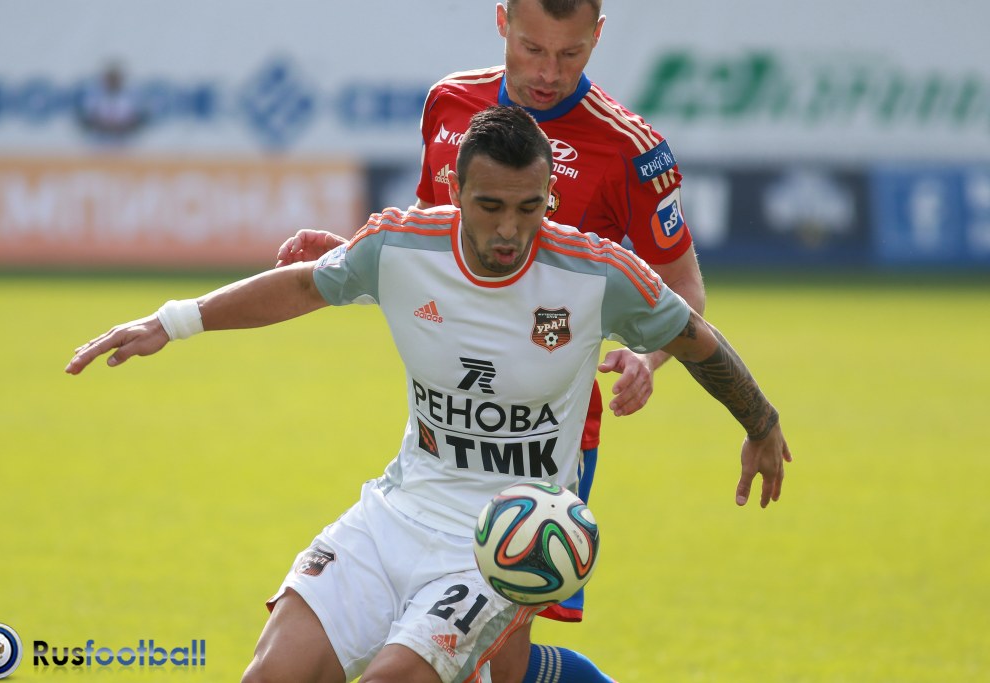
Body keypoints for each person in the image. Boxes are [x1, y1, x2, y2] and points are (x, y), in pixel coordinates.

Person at [66, 105, 790, 683]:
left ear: (550, 197)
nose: (510, 229)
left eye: (530, 207)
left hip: (501, 541)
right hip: (396, 511)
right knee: (272, 674)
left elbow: (695, 336)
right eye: (490, 205)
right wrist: (171, 321)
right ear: (454, 191)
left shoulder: (595, 272)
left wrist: (760, 422)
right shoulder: (400, 245)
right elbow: (302, 285)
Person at [275, 2, 706, 680]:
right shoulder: (450, 103)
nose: (549, 73)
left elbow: (684, 289)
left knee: (496, 654)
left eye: (570, 54)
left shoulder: (631, 147)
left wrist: (648, 357)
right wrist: (352, 255)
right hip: (451, 411)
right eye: (534, 48)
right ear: (502, 20)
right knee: (472, 658)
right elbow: (430, 236)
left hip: (546, 433)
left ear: (597, 36)